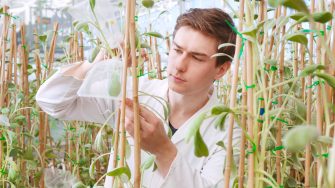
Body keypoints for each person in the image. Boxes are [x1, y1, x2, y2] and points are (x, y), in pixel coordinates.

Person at [36, 8, 241, 188]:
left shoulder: (230, 132)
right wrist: (95, 66)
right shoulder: (133, 93)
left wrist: (163, 150)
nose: (179, 65)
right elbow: (52, 102)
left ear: (221, 69)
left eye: (196, 57)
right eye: (177, 50)